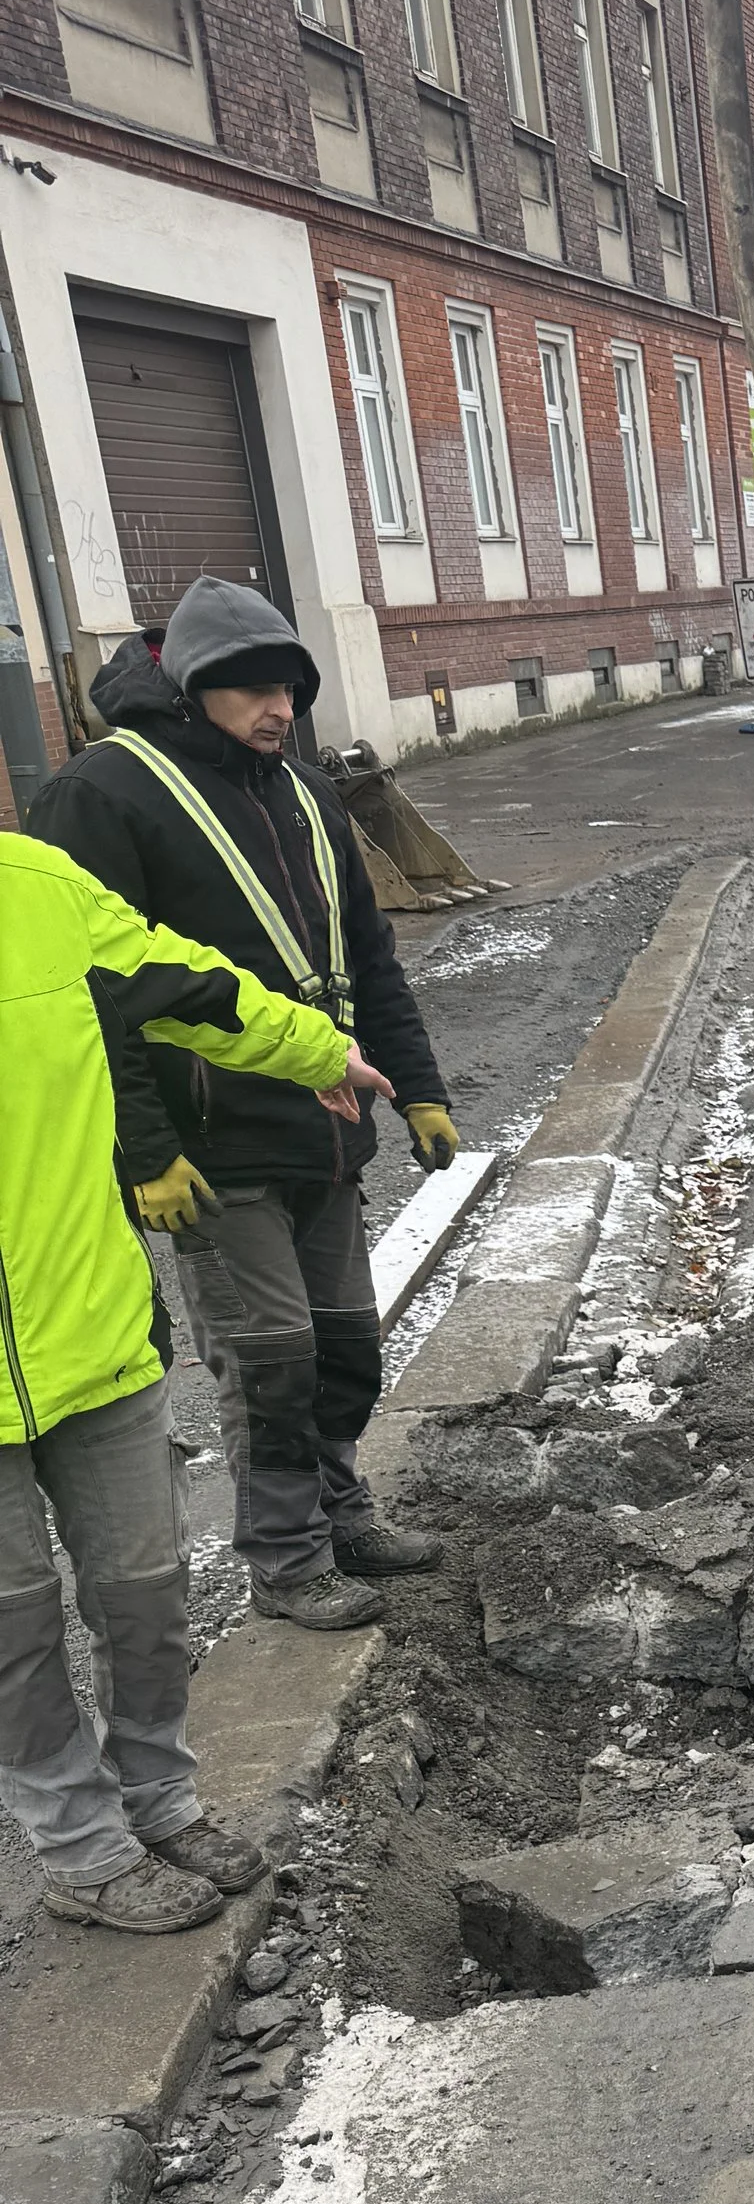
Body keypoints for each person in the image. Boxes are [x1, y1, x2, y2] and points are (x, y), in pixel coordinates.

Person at [26, 577, 463, 1633]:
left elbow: (366, 961)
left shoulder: (302, 791)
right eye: (255, 690)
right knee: (271, 1358)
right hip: (212, 1143)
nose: (279, 709)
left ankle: (339, 1506)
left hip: (328, 1126)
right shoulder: (105, 794)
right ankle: (286, 1555)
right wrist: (146, 1147)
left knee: (347, 1342)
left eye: (289, 689)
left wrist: (422, 1089)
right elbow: (91, 989)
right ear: (193, 685)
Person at [0, 828, 386, 1931]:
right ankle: (79, 1853)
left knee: (148, 1595)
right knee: (15, 1633)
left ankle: (158, 1803)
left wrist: (322, 1052)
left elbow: (198, 987)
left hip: (92, 1335)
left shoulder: (36, 885)